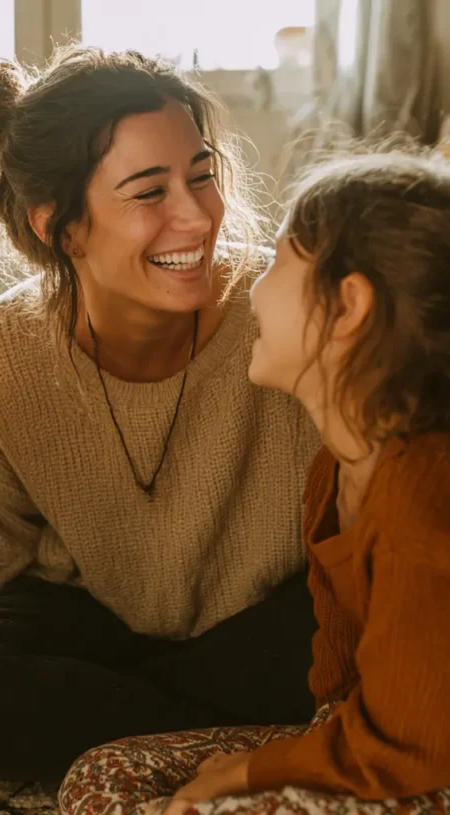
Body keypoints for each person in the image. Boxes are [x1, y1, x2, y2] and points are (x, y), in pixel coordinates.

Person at [0, 46, 319, 793]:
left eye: (202, 175)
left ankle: (133, 734)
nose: (196, 214)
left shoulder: (284, 305)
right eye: (149, 191)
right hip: (97, 623)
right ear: (58, 224)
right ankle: (229, 735)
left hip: (267, 628)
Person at [58, 149, 450, 815]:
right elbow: (338, 673)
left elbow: (408, 747)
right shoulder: (336, 463)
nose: (249, 287)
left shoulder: (420, 491)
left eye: (277, 262)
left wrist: (247, 775)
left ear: (348, 304)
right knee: (104, 773)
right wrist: (280, 757)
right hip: (372, 739)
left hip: (425, 762)